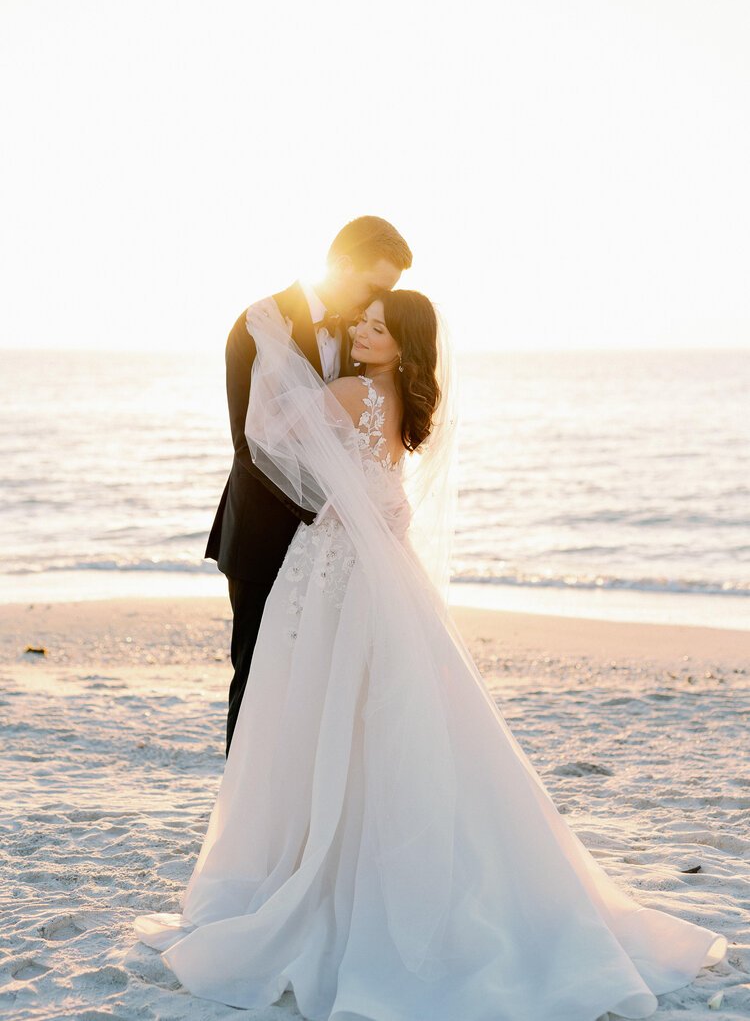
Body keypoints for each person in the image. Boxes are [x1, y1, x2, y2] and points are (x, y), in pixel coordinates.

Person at [136, 290, 726, 1020]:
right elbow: (373, 474)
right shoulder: (402, 401)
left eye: (376, 327)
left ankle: (315, 860)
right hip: (385, 561)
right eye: (363, 320)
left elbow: (269, 431)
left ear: (401, 345)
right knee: (384, 706)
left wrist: (272, 347)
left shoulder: (351, 390)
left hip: (338, 565)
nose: (360, 329)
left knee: (323, 706)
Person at [204, 216, 412, 755]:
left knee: (331, 686)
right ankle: (247, 827)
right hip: (265, 533)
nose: (381, 305)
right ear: (343, 266)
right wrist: (331, 511)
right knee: (257, 681)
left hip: (342, 547)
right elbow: (251, 444)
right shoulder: (258, 323)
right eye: (376, 287)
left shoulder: (366, 334)